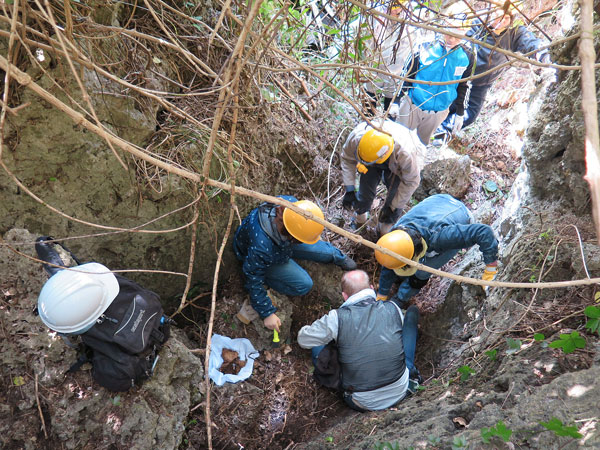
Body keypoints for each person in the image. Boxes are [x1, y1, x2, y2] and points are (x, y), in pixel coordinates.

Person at [297, 269, 420, 412]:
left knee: (318, 347)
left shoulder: (336, 318)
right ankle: (412, 371)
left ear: (344, 296)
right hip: (401, 388)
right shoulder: (393, 308)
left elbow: (303, 340)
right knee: (412, 313)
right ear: (372, 288)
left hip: (361, 401)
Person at [233, 195, 357, 332]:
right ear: (292, 237)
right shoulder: (262, 248)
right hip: (268, 255)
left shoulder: (291, 207)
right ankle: (269, 285)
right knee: (304, 284)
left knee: (320, 250)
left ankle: (337, 256)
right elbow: (252, 277)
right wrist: (266, 313)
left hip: (282, 242)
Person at [438, 0, 552, 137]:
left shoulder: (514, 33)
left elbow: (532, 43)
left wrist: (545, 55)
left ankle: (442, 132)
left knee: (470, 114)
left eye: (506, 18)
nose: (501, 21)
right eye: (497, 16)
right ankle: (432, 128)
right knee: (447, 104)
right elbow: (456, 37)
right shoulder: (476, 22)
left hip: (481, 84)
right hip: (459, 77)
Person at [374, 194, 499, 306]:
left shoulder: (441, 238)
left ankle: (402, 297)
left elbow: (484, 232)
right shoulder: (395, 235)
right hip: (437, 201)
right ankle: (400, 279)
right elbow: (390, 259)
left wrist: (490, 270)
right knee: (394, 258)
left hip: (459, 212)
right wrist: (382, 295)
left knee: (423, 270)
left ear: (417, 254)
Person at [395, 2, 475, 145]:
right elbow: (407, 72)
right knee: (398, 142)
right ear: (444, 24)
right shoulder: (426, 44)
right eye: (449, 34)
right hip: (413, 104)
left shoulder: (467, 54)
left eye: (458, 36)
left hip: (439, 111)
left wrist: (460, 112)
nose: (451, 40)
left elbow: (464, 85)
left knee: (420, 146)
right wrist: (397, 100)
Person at [340, 120, 426, 235]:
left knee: (393, 197)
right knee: (365, 189)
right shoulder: (357, 138)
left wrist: (394, 207)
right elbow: (347, 159)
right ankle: (359, 219)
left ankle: (384, 231)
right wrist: (349, 188)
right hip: (370, 155)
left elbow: (411, 181)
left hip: (398, 164)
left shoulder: (406, 154)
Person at [361, 1, 431, 119]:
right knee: (369, 103)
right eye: (390, 7)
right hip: (374, 69)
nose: (393, 11)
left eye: (397, 7)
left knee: (390, 111)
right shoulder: (375, 14)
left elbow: (423, 44)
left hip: (396, 74)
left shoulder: (413, 19)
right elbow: (365, 41)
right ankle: (366, 125)